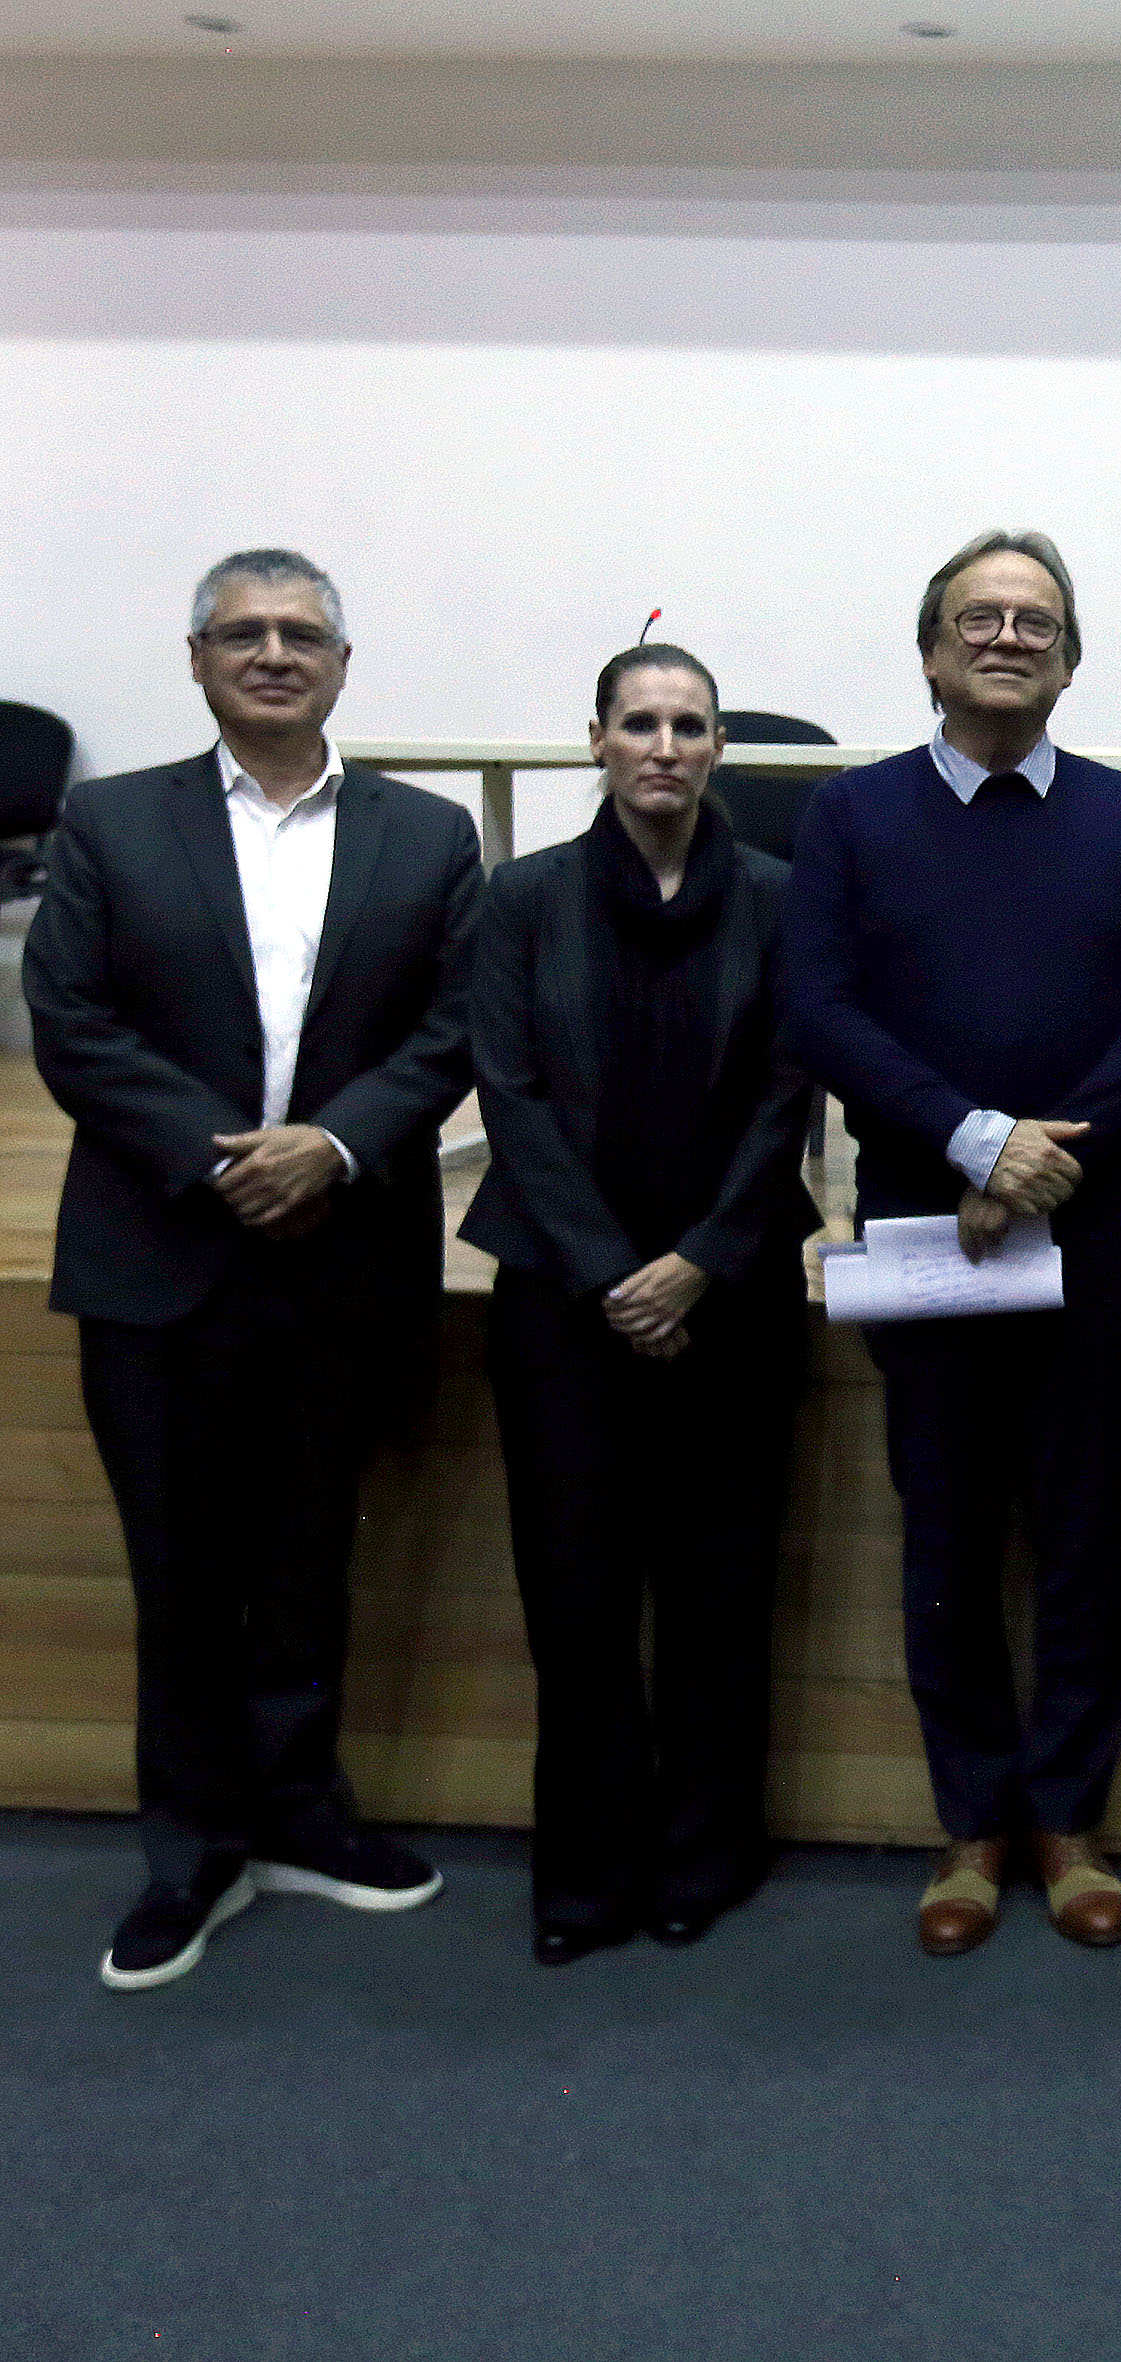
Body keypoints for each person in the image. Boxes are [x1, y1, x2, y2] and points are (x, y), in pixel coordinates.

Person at [24, 549, 479, 1991]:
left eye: (301, 634)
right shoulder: (108, 820)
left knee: (306, 1552)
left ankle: (299, 1813)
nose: (273, 654)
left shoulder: (429, 836)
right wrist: (226, 1162)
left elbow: (454, 1025)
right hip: (161, 1255)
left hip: (341, 1254)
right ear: (198, 658)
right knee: (180, 1569)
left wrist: (332, 1147)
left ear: (341, 665)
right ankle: (192, 1851)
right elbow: (72, 1020)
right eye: (244, 633)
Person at [779, 529, 1121, 1956]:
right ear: (929, 651)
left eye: (1037, 621)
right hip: (923, 1226)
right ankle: (971, 1822)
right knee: (947, 1527)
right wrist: (973, 1142)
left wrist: (1037, 1165)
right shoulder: (852, 815)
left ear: (1071, 661)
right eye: (980, 617)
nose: (1009, 637)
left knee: (1082, 1525)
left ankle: (1069, 1819)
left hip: (1089, 1225)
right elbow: (821, 1008)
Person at [461, 643, 820, 1965]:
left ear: (718, 747)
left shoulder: (780, 897)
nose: (664, 745)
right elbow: (508, 1090)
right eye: (639, 722)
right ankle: (587, 1871)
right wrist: (613, 1269)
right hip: (565, 1297)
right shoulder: (523, 898)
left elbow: (790, 1089)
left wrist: (699, 1260)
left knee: (720, 1593)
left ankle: (704, 1856)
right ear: (597, 740)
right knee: (577, 1596)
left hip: (732, 1292)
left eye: (689, 724)